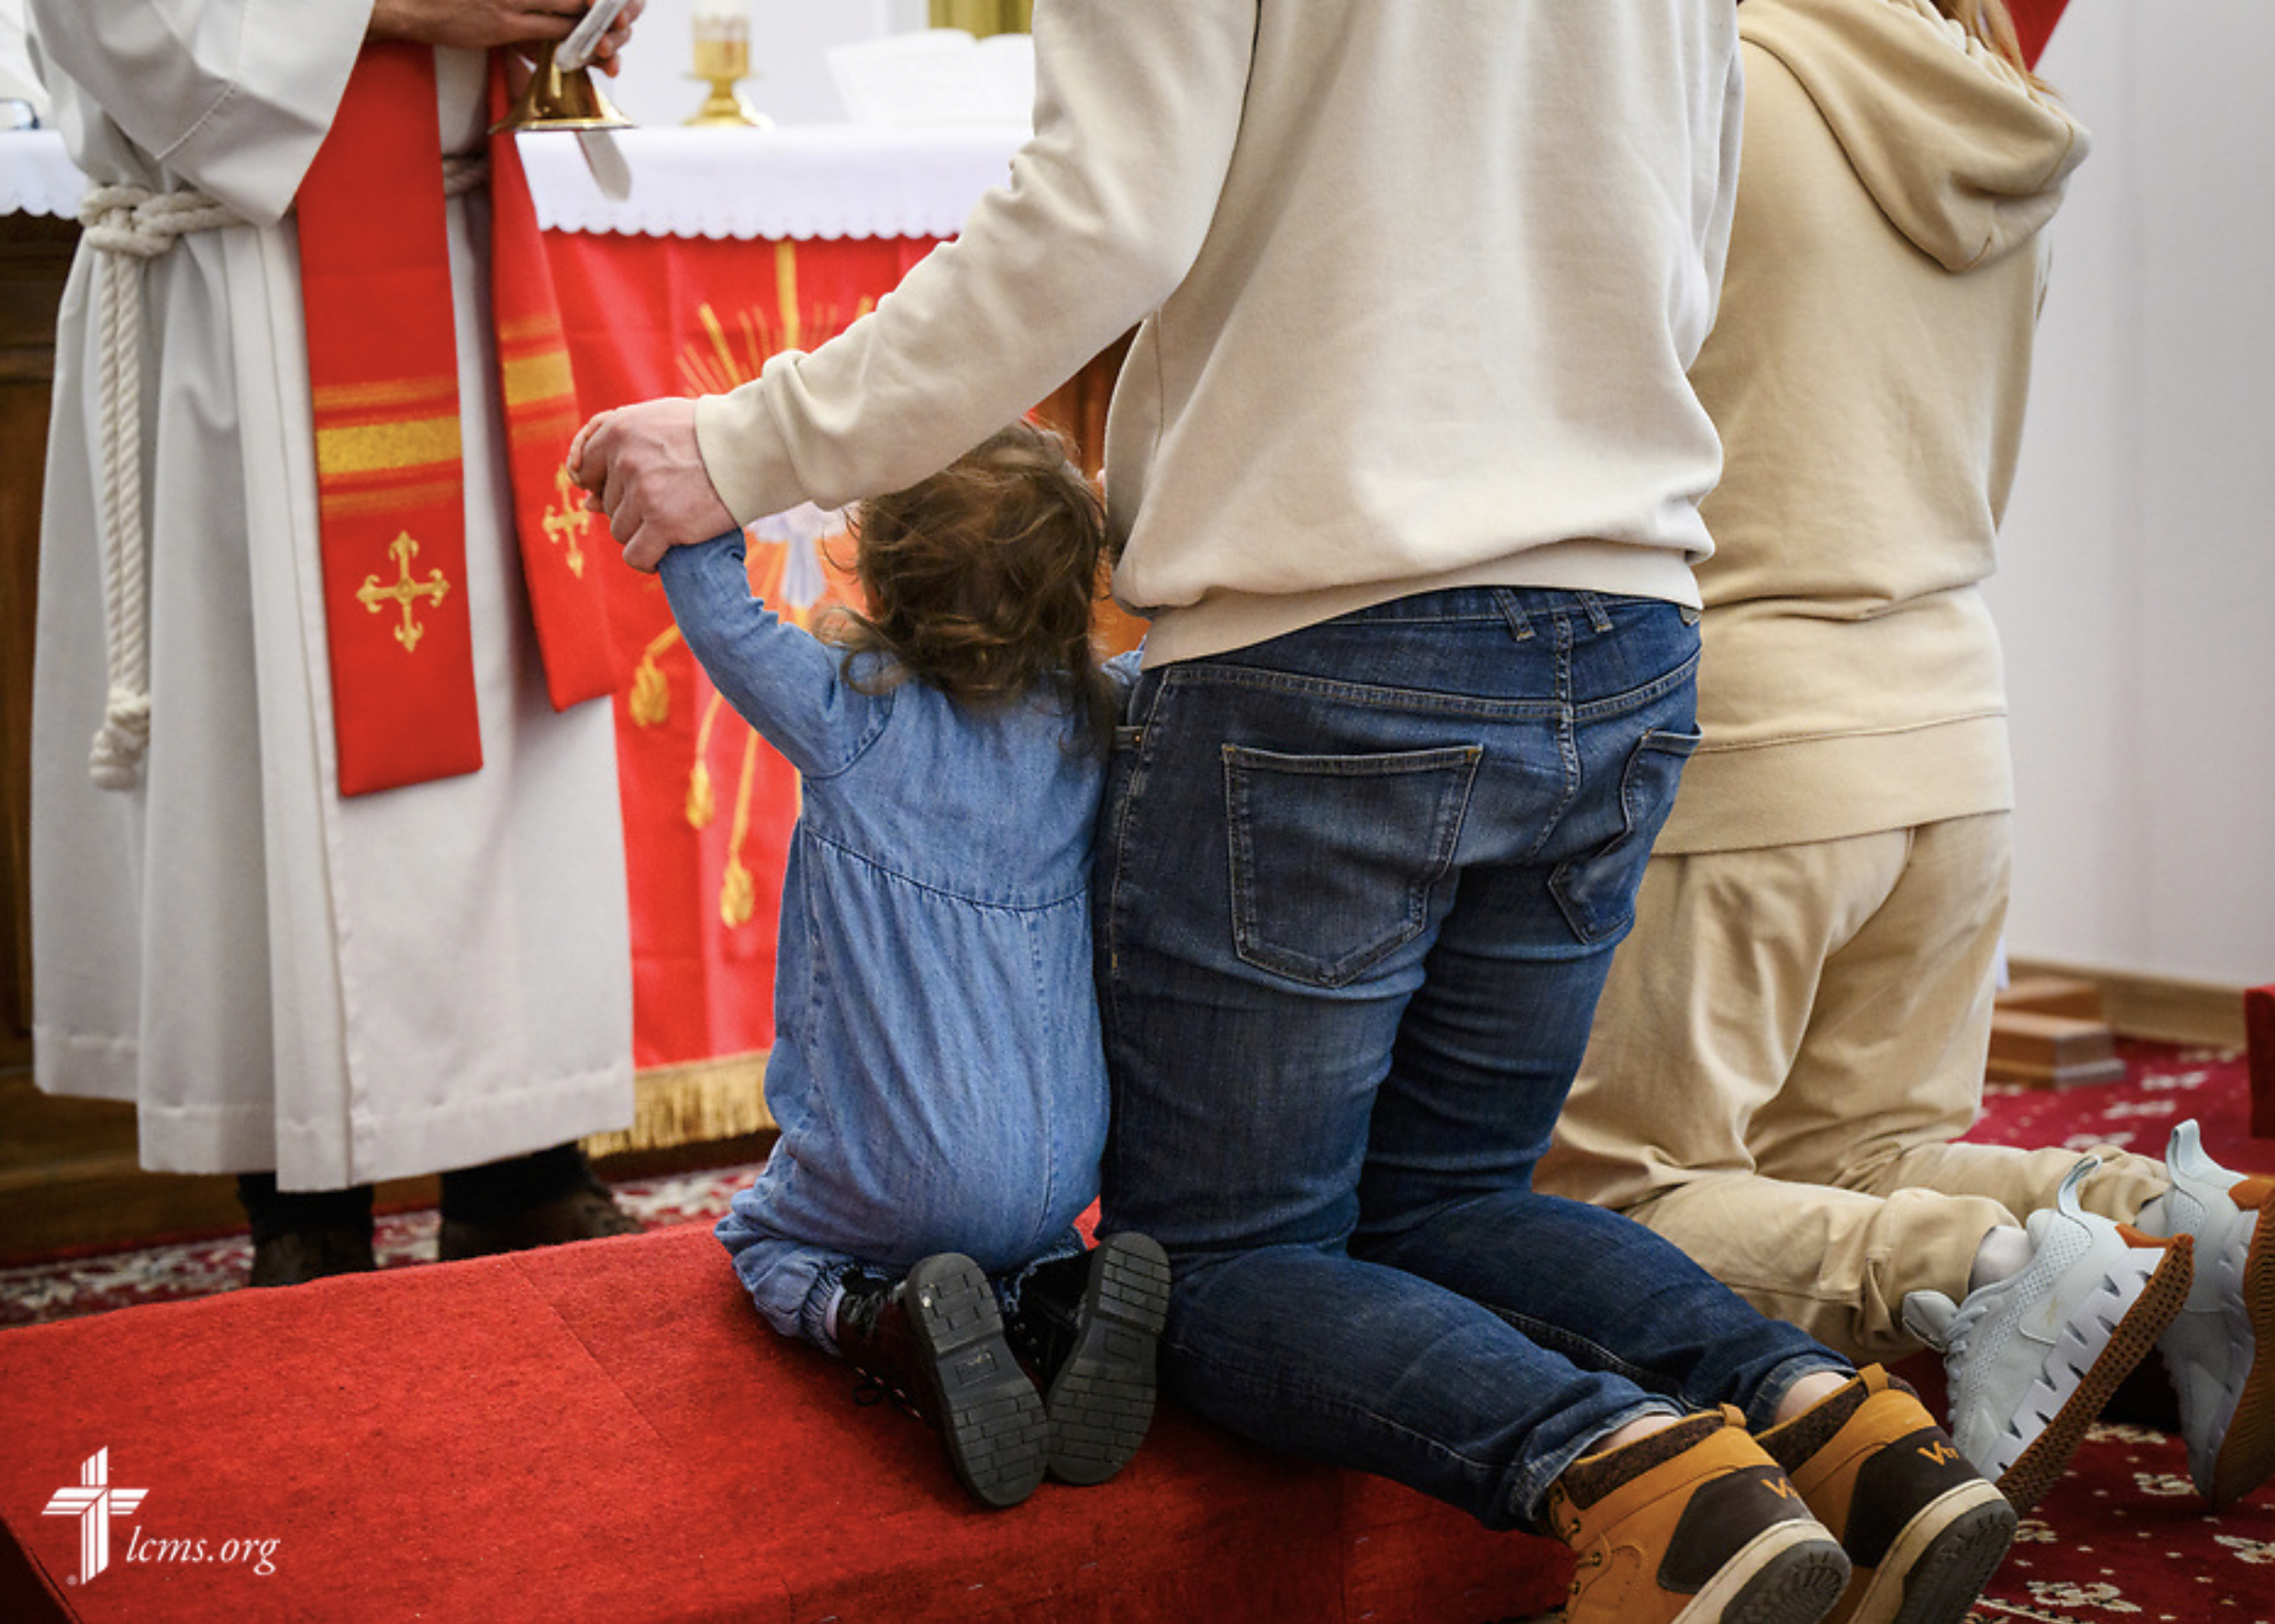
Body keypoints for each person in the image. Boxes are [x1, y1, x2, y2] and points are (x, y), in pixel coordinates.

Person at [573, 6, 2025, 1620]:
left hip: (1332, 640)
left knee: (1216, 1264)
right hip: (1622, 617)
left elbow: (1104, 215)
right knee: (1456, 1200)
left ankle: (1639, 1480)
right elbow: (1683, 210)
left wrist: (748, 439)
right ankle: (1844, 1437)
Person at [1534, 0, 2275, 1518]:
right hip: (1956, 727)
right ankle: (2164, 1215)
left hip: (1752, 733)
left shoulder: (1713, 85)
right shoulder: (1990, 97)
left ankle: (1992, 1269)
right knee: (1866, 1150)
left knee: (1608, 1193)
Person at [25, 0, 649, 1287]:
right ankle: (303, 1203)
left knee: (498, 707)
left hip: (461, 233)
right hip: (245, 283)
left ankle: (519, 1167)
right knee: (268, 742)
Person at [645, 419, 1171, 1511]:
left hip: (893, 1174)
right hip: (1065, 1165)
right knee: (1008, 1246)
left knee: (765, 1241)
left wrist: (717, 454)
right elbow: (1183, 646)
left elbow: (710, 595)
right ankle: (1054, 1297)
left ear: (879, 568)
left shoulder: (851, 714)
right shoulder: (1101, 715)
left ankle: (877, 1322)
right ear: (1077, 583)